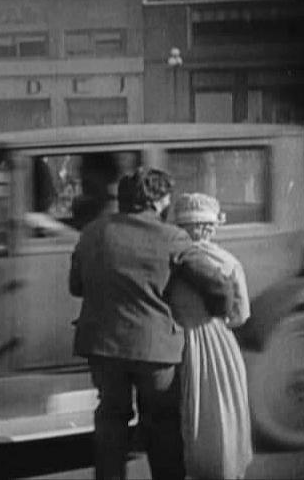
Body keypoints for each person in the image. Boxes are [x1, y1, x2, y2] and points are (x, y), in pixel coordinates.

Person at [69, 167, 234, 480]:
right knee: (161, 425)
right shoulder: (171, 237)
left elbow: (75, 286)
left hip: (103, 347)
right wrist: (219, 312)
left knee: (111, 420)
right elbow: (217, 284)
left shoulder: (92, 232)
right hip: (155, 351)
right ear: (158, 201)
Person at [169, 193, 253, 479]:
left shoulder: (170, 261)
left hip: (180, 343)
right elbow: (240, 315)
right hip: (218, 345)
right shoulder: (227, 261)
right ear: (207, 227)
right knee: (222, 415)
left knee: (188, 419)